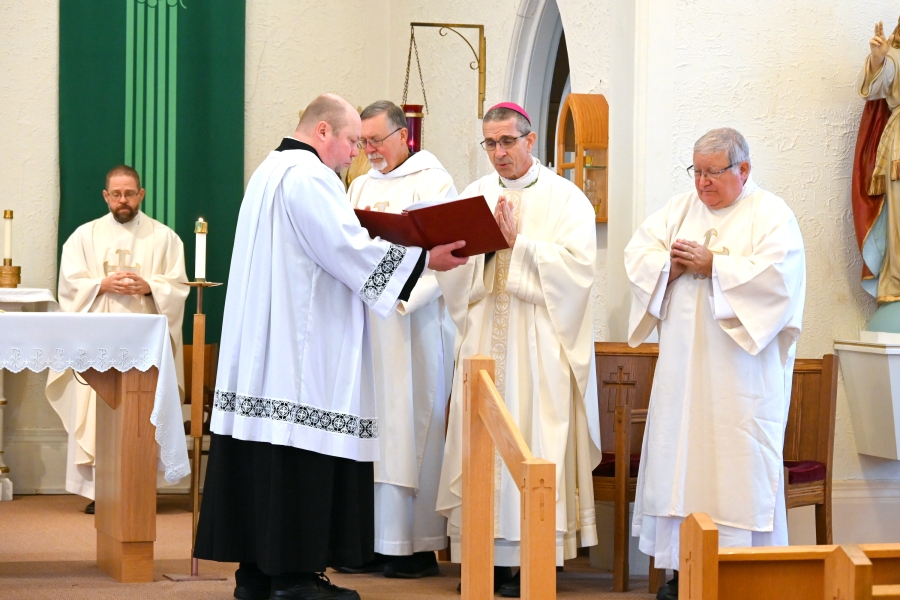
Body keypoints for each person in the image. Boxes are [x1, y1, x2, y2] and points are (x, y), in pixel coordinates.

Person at [193, 93, 467, 600]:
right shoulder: (310, 177)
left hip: (265, 350)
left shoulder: (267, 171)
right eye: (349, 143)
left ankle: (257, 574)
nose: (353, 156)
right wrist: (426, 259)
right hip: (302, 353)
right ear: (323, 132)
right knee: (299, 455)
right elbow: (348, 251)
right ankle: (295, 577)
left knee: (263, 459)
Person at [624, 128, 806, 600]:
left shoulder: (771, 215)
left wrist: (715, 267)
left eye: (713, 173)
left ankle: (739, 575)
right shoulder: (680, 209)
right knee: (680, 462)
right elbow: (638, 256)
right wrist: (671, 266)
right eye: (697, 171)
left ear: (743, 170)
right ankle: (682, 573)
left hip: (740, 378)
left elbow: (779, 282)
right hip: (683, 373)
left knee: (735, 468)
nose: (702, 183)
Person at [435, 102, 601, 598]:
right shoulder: (474, 195)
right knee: (480, 438)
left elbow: (578, 274)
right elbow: (453, 270)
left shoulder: (568, 200)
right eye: (490, 143)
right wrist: (481, 252)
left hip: (539, 344)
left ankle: (533, 559)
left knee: (533, 436)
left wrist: (519, 245)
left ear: (531, 141)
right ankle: (483, 555)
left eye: (507, 142)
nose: (499, 153)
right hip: (484, 333)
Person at [343, 100, 456, 578]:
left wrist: (405, 296)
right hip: (369, 325)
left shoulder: (434, 182)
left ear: (403, 135)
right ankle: (367, 541)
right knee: (370, 427)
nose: (368, 151)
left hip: (414, 325)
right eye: (362, 142)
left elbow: (453, 252)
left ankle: (412, 546)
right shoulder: (360, 186)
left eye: (375, 141)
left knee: (412, 425)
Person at [46, 165, 188, 514]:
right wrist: (101, 285)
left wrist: (150, 286)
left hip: (146, 347)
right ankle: (100, 490)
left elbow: (179, 288)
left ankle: (141, 486)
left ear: (141, 195)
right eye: (116, 193)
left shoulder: (165, 238)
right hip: (97, 343)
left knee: (145, 411)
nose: (123, 200)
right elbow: (69, 287)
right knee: (96, 409)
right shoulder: (84, 236)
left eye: (130, 193)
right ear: (106, 196)